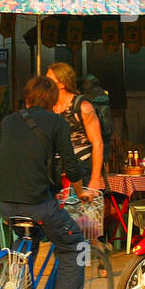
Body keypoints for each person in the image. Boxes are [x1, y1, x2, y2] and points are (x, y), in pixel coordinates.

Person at [0, 75, 99, 289]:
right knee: (73, 243)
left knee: (30, 235)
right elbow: (71, 166)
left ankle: (15, 278)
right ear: (53, 100)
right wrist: (81, 191)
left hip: (7, 203)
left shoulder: (8, 121)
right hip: (38, 202)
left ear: (28, 98)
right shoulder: (57, 122)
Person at [45, 62, 104, 194]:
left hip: (80, 167)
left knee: (79, 212)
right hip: (55, 169)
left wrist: (95, 179)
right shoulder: (47, 107)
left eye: (49, 79)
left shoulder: (82, 106)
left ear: (62, 84)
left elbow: (98, 143)